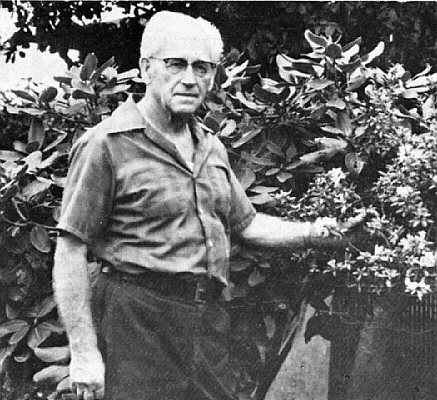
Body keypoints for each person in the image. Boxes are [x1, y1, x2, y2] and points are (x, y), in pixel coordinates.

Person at [53, 10, 365, 400]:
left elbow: (247, 225)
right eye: (175, 64)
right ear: (146, 68)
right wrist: (84, 354)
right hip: (133, 319)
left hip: (204, 322)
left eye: (202, 68)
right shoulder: (107, 145)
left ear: (214, 77)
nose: (189, 78)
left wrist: (319, 233)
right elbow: (70, 249)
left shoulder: (210, 147)